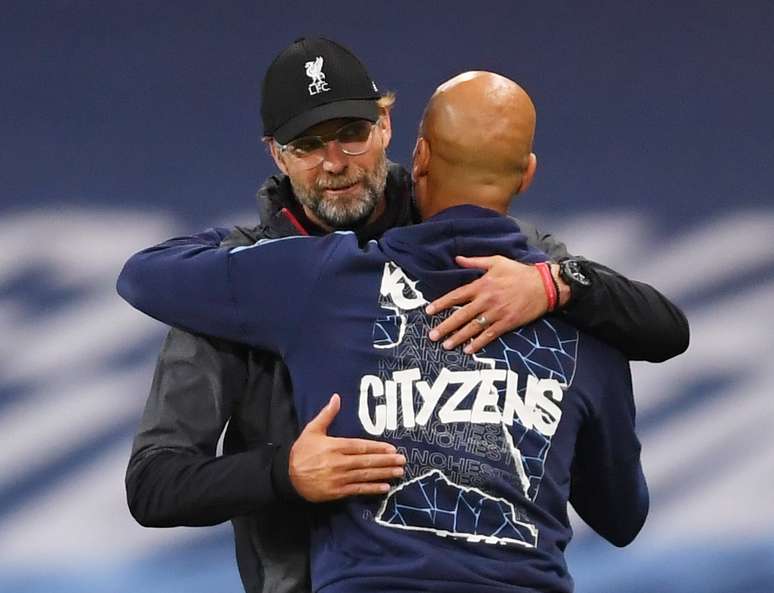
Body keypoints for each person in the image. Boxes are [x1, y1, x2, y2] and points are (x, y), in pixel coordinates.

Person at [125, 38, 687, 593]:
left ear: (389, 127)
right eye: (307, 145)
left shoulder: (512, 268)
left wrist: (558, 283)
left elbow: (661, 326)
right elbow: (154, 483)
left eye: (352, 135)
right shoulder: (238, 285)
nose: (334, 163)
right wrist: (283, 473)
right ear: (277, 153)